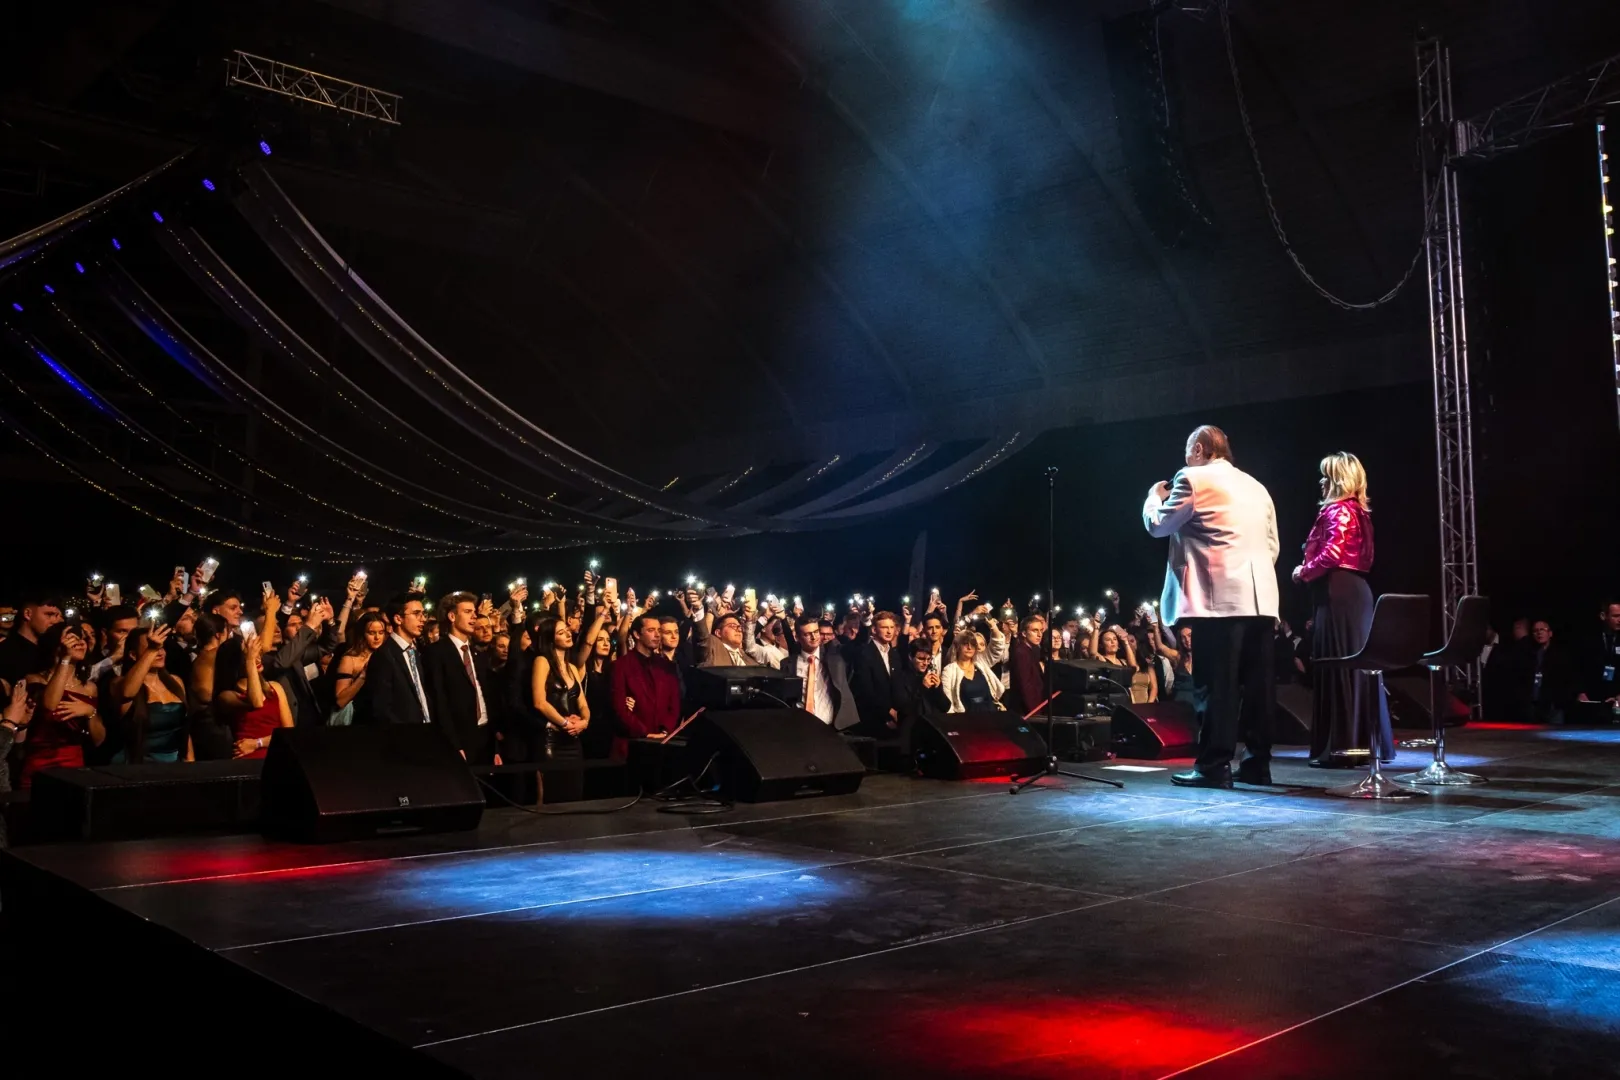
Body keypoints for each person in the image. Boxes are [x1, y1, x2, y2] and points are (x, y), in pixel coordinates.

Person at [1143, 424, 1279, 788]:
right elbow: (1272, 545)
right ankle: (1257, 764)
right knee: (1258, 686)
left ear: (1200, 450)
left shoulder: (1192, 478)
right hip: (1262, 599)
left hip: (1219, 600)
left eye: (1188, 451)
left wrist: (1154, 496)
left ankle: (1213, 766)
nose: (1185, 458)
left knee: (1217, 686)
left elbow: (1159, 525)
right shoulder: (1256, 486)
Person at [1290, 451, 1390, 766]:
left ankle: (1341, 747)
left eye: (1326, 477)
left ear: (1336, 481)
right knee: (1356, 667)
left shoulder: (1338, 511)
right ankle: (1361, 743)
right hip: (1355, 591)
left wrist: (1302, 572)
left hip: (1338, 592)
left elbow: (1332, 553)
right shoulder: (1361, 513)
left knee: (1337, 665)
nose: (1321, 482)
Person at [18, 623, 104, 788]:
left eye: (83, 639)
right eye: (73, 638)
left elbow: (99, 740)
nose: (80, 643)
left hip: (74, 764)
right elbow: (50, 704)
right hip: (39, 763)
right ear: (56, 644)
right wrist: (66, 659)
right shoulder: (35, 680)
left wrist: (90, 711)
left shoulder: (89, 687)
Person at [424, 591, 498, 762]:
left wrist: (495, 747)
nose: (474, 616)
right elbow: (439, 700)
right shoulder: (436, 653)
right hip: (459, 739)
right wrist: (454, 744)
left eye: (474, 612)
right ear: (451, 616)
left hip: (485, 736)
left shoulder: (477, 654)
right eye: (467, 612)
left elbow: (486, 696)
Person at [526, 616, 590, 800]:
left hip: (573, 742)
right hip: (551, 741)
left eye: (567, 630)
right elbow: (539, 702)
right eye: (561, 632)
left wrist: (584, 722)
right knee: (551, 796)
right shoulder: (542, 661)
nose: (568, 634)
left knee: (574, 793)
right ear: (550, 638)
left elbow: (583, 704)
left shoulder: (572, 667)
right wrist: (564, 723)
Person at [110, 625, 192, 762]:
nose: (159, 653)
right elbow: (127, 692)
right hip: (138, 765)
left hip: (174, 763)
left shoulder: (175, 681)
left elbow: (183, 729)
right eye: (152, 647)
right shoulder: (118, 683)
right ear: (133, 655)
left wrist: (190, 760)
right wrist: (151, 650)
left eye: (161, 647)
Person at [609, 613, 682, 758]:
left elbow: (674, 704)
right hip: (632, 744)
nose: (657, 635)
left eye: (659, 631)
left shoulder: (666, 666)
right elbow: (619, 708)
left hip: (663, 743)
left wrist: (665, 730)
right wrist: (645, 733)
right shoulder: (621, 666)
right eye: (651, 630)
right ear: (636, 634)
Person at [211, 631, 292, 759]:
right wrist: (250, 660)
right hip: (249, 762)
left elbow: (289, 734)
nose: (258, 659)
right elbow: (256, 702)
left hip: (277, 756)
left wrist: (258, 743)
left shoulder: (275, 688)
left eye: (258, 654)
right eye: (251, 655)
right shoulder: (226, 696)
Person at [357, 595, 433, 727]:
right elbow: (381, 708)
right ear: (398, 619)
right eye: (416, 614)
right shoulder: (383, 655)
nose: (423, 619)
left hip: (425, 730)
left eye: (423, 613)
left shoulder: (414, 651)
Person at [783, 613, 859, 729]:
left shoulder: (835, 655)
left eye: (816, 632)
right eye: (808, 634)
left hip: (831, 727)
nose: (814, 637)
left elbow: (860, 643)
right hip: (799, 728)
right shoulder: (788, 663)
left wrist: (866, 620)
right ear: (797, 637)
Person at [848, 610, 901, 735]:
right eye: (884, 627)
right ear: (874, 629)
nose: (889, 631)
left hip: (897, 720)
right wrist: (888, 712)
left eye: (891, 627)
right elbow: (866, 690)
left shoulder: (894, 654)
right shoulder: (864, 653)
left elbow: (898, 686)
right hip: (872, 720)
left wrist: (898, 714)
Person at [329, 612, 386, 726]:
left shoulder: (387, 656)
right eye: (371, 633)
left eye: (381, 632)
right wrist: (363, 676)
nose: (377, 637)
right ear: (362, 634)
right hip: (359, 720)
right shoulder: (350, 659)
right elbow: (340, 700)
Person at [941, 630, 1006, 712]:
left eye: (973, 644)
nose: (969, 647)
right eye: (965, 644)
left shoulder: (981, 664)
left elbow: (997, 648)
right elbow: (948, 702)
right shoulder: (949, 671)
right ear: (957, 646)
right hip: (966, 719)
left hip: (991, 715)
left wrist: (993, 627)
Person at [1003, 615, 1048, 718]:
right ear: (1024, 633)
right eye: (1035, 630)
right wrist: (1036, 713)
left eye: (1041, 630)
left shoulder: (1032, 650)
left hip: (1031, 708)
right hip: (1027, 711)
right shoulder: (1021, 652)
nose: (1039, 634)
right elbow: (1025, 684)